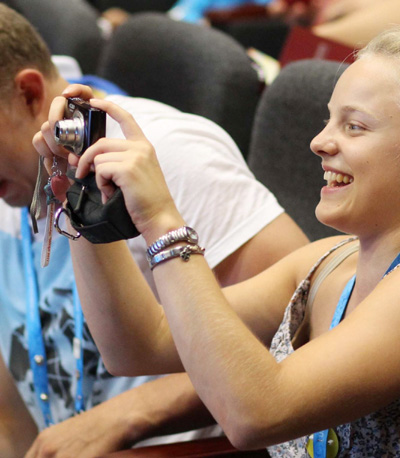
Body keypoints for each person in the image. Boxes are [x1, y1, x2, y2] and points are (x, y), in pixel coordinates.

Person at [35, 26, 400, 456]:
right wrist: (83, 205)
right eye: (329, 119)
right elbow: (138, 346)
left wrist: (163, 220)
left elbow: (256, 413)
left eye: (354, 126)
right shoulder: (331, 260)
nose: (320, 141)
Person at [0, 4, 308, 458]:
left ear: (27, 95)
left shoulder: (170, 157)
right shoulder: (19, 174)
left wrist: (135, 411)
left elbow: (303, 321)